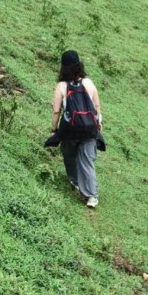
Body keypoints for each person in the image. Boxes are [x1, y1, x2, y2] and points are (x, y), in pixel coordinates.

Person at [51, 50, 102, 208]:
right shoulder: (89, 83)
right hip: (90, 128)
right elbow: (97, 106)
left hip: (70, 129)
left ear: (63, 66)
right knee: (87, 161)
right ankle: (92, 196)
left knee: (69, 154)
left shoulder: (62, 86)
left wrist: (54, 129)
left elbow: (56, 111)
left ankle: (75, 181)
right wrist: (98, 123)